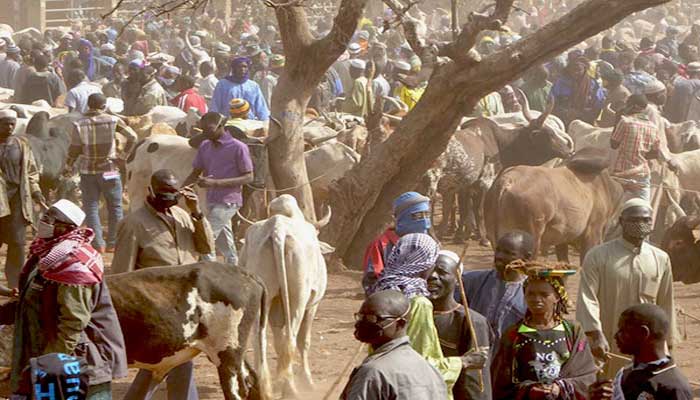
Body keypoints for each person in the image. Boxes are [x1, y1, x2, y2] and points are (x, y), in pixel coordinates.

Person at [10, 199, 127, 399]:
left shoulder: (73, 266)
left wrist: (50, 363)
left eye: (49, 218)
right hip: (49, 354)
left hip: (78, 364)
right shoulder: (46, 254)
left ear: (65, 228)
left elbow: (73, 322)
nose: (42, 221)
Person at [112, 169, 214, 400]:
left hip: (188, 302)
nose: (169, 197)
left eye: (173, 192)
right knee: (173, 358)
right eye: (163, 192)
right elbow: (121, 274)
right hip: (155, 305)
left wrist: (197, 213)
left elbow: (206, 248)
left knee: (169, 360)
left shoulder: (183, 216)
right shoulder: (133, 223)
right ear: (151, 191)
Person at [369, 233, 487, 398]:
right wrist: (463, 362)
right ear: (424, 263)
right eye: (431, 262)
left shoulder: (384, 294)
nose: (432, 275)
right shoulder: (419, 303)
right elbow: (421, 369)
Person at [577, 198, 677, 379]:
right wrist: (595, 334)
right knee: (610, 386)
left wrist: (667, 342)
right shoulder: (598, 256)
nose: (640, 224)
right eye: (634, 220)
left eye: (645, 220)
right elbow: (587, 297)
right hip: (611, 339)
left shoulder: (660, 258)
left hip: (648, 341)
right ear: (621, 221)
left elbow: (666, 302)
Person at [490, 262, 597, 399]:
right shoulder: (514, 334)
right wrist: (529, 390)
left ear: (557, 297)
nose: (536, 299)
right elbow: (500, 381)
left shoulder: (572, 331)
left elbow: (586, 375)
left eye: (544, 294)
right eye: (531, 294)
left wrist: (560, 388)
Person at [341, 289, 448, 399]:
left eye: (372, 318)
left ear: (400, 324)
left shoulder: (373, 373)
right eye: (361, 316)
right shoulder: (430, 369)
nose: (362, 323)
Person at [64, 93, 138, 253]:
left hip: (88, 170)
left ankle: (98, 244)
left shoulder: (79, 123)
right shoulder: (113, 120)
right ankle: (113, 242)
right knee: (115, 206)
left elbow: (74, 149)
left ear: (88, 105)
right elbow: (133, 136)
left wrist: (68, 165)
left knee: (91, 206)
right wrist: (122, 156)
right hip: (109, 169)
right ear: (104, 106)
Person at [184, 112, 253, 266]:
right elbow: (195, 173)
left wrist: (215, 183)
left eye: (209, 129)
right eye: (204, 130)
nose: (206, 133)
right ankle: (233, 269)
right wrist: (179, 191)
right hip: (211, 199)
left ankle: (209, 271)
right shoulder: (205, 145)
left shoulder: (238, 147)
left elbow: (249, 177)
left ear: (221, 126)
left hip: (229, 200)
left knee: (206, 236)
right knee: (225, 242)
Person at [589, 304, 693, 400]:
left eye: (623, 331)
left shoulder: (675, 387)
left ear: (643, 333)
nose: (616, 336)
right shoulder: (625, 373)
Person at [428, 250, 493, 400]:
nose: (433, 276)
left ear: (457, 279)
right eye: (429, 270)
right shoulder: (413, 314)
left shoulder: (472, 322)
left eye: (442, 272)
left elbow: (475, 384)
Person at [0, 109, 46, 287]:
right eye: (6, 124)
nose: (10, 127)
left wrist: (36, 192)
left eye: (12, 124)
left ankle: (14, 284)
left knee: (18, 243)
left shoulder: (22, 145)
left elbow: (31, 172)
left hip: (18, 200)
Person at [459, 231, 532, 341]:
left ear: (526, 257)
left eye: (508, 253)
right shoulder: (471, 281)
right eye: (498, 250)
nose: (499, 256)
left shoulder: (532, 292)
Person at [362, 191, 431, 293]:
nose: (424, 220)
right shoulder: (381, 245)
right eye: (418, 216)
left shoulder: (429, 243)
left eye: (427, 215)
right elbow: (373, 281)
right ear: (401, 218)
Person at [610, 94, 674, 202]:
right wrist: (640, 154)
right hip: (642, 173)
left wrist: (617, 120)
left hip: (622, 172)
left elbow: (613, 145)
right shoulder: (653, 127)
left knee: (616, 207)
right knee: (643, 206)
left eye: (628, 105)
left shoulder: (625, 122)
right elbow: (655, 152)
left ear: (634, 106)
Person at [550, 56, 605, 125]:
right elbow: (552, 100)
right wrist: (565, 112)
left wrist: (581, 114)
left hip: (584, 121)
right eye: (573, 69)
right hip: (562, 119)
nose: (575, 72)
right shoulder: (561, 82)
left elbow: (598, 104)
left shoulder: (593, 84)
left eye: (579, 70)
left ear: (585, 69)